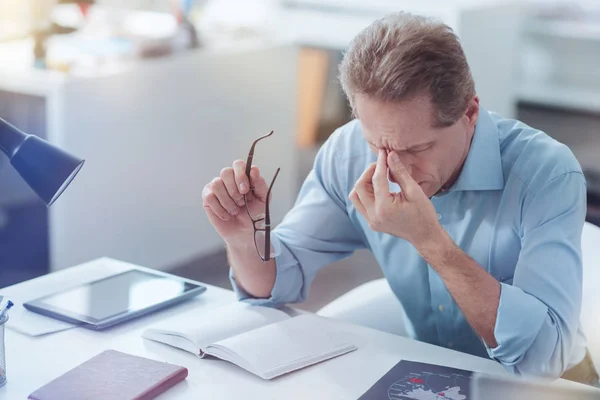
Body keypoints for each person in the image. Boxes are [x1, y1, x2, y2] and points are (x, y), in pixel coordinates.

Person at [202, 12, 598, 385]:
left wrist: (432, 244)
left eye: (416, 148)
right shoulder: (348, 152)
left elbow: (543, 359)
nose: (392, 169)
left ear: (470, 112)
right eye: (376, 144)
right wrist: (243, 240)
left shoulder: (546, 173)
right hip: (426, 374)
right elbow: (278, 283)